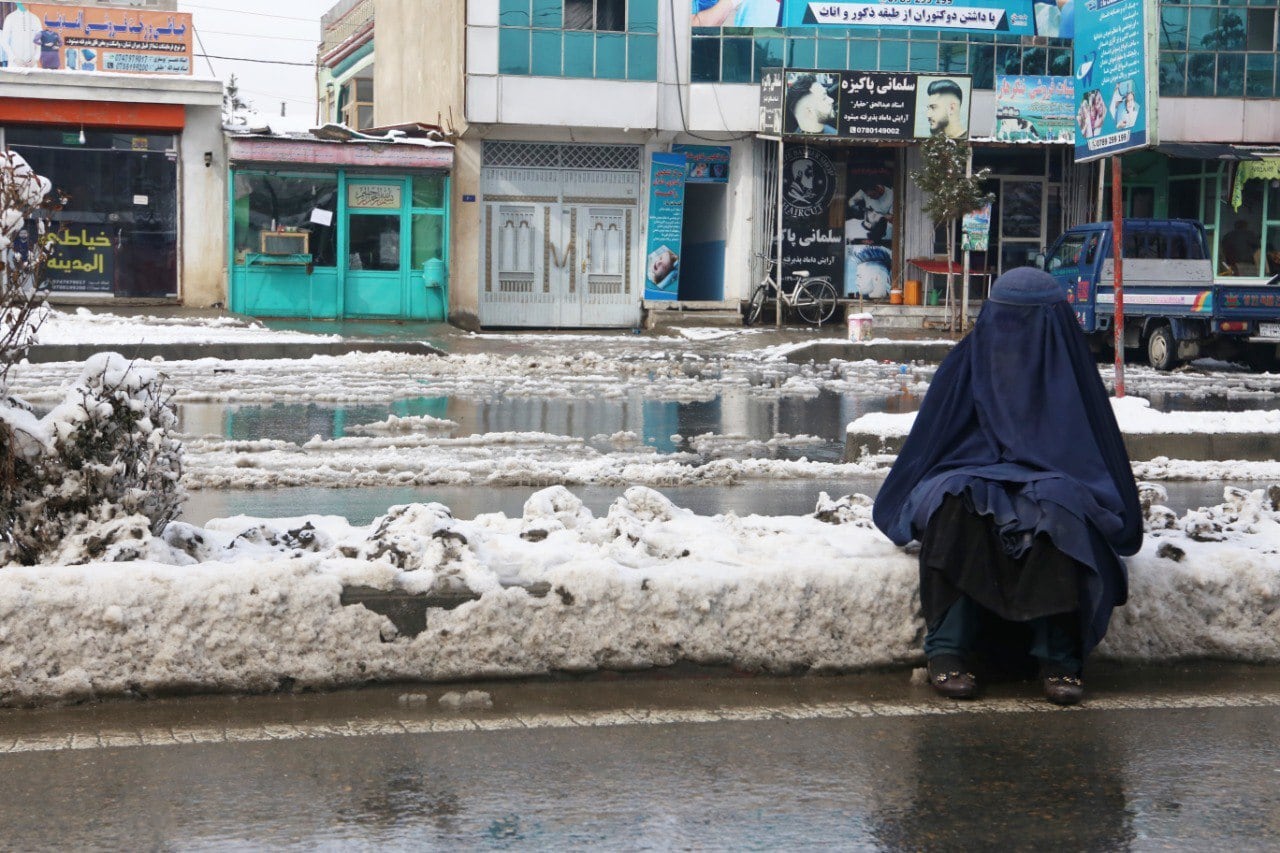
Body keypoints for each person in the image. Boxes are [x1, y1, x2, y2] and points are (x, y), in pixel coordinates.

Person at [873, 267, 1142, 706]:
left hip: (1056, 473)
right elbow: (932, 447)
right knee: (958, 500)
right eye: (1008, 322)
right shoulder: (965, 367)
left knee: (1059, 508)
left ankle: (1059, 656)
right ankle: (947, 650)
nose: (1016, 337)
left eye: (1029, 325)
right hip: (969, 466)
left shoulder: (1070, 374)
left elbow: (1093, 457)